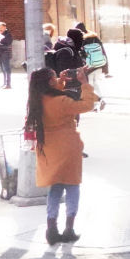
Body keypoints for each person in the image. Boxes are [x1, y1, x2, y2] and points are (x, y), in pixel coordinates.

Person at [25, 66, 98, 245]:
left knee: (55, 188)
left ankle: (51, 228)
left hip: (48, 148)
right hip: (67, 146)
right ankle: (69, 228)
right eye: (54, 77)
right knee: (72, 186)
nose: (58, 78)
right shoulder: (62, 101)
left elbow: (52, 96)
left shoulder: (37, 100)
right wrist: (84, 84)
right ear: (49, 82)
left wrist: (61, 82)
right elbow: (86, 105)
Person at [0, 21, 12, 89]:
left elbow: (7, 45)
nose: (0, 29)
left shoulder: (8, 35)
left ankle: (8, 84)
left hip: (5, 54)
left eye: (1, 27)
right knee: (3, 69)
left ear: (5, 28)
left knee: (7, 69)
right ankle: (4, 83)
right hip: (0, 54)